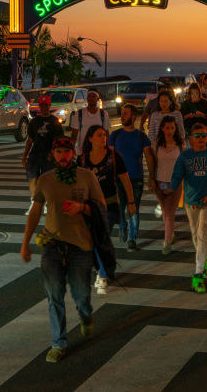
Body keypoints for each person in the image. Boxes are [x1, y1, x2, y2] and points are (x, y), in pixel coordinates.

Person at [20, 136, 105, 364]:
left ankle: (86, 314)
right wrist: (25, 242)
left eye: (67, 151)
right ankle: (58, 342)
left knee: (80, 294)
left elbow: (101, 207)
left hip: (80, 245)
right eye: (58, 151)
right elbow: (36, 212)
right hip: (52, 245)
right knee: (54, 294)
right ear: (53, 155)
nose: (63, 155)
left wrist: (82, 207)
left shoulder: (86, 177)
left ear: (73, 153)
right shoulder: (45, 180)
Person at [169, 121, 207, 294]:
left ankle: (198, 275)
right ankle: (203, 259)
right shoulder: (185, 157)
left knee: (203, 235)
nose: (201, 139)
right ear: (191, 139)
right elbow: (176, 177)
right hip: (191, 202)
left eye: (204, 135)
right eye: (197, 136)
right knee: (195, 235)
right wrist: (169, 188)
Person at [79, 124, 134, 295]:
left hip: (109, 205)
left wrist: (131, 202)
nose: (103, 138)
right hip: (88, 207)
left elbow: (125, 179)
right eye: (99, 135)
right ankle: (102, 267)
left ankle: (103, 276)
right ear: (90, 138)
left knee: (101, 237)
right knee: (91, 242)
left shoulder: (113, 156)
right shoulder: (82, 160)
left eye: (104, 135)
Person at [108, 104, 154, 251]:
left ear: (133, 117)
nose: (122, 116)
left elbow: (149, 157)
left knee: (133, 207)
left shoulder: (141, 136)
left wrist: (152, 177)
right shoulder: (115, 135)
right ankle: (122, 224)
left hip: (136, 178)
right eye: (122, 113)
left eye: (125, 114)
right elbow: (110, 158)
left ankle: (132, 238)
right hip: (118, 179)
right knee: (120, 206)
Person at [150, 115, 185, 254]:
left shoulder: (180, 144)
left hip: (175, 182)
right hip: (160, 182)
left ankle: (166, 241)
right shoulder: (157, 144)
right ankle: (171, 233)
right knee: (165, 211)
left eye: (172, 127)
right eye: (167, 128)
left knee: (170, 212)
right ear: (162, 129)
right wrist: (151, 178)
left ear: (175, 129)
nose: (169, 130)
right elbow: (153, 163)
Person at [22, 94, 64, 202]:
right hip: (35, 154)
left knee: (47, 179)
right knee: (32, 178)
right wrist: (25, 156)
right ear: (39, 107)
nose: (44, 108)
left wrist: (54, 154)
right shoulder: (34, 122)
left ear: (49, 106)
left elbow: (58, 141)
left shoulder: (55, 122)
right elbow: (30, 140)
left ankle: (46, 200)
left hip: (49, 155)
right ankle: (33, 200)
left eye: (46, 105)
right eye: (42, 105)